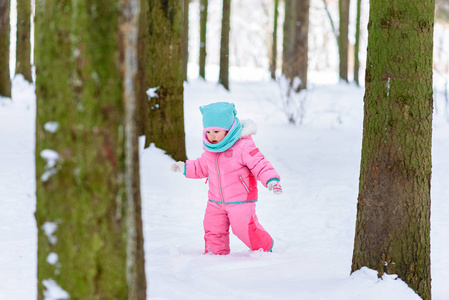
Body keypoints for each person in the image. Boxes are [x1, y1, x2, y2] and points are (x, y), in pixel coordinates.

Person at [171, 102, 282, 255]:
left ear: (228, 129)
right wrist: (184, 168)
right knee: (212, 227)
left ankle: (265, 246)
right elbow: (201, 166)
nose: (212, 136)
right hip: (215, 201)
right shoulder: (210, 150)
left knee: (243, 228)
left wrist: (271, 180)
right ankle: (215, 256)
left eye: (216, 131)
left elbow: (259, 163)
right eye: (208, 132)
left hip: (241, 200)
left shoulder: (243, 146)